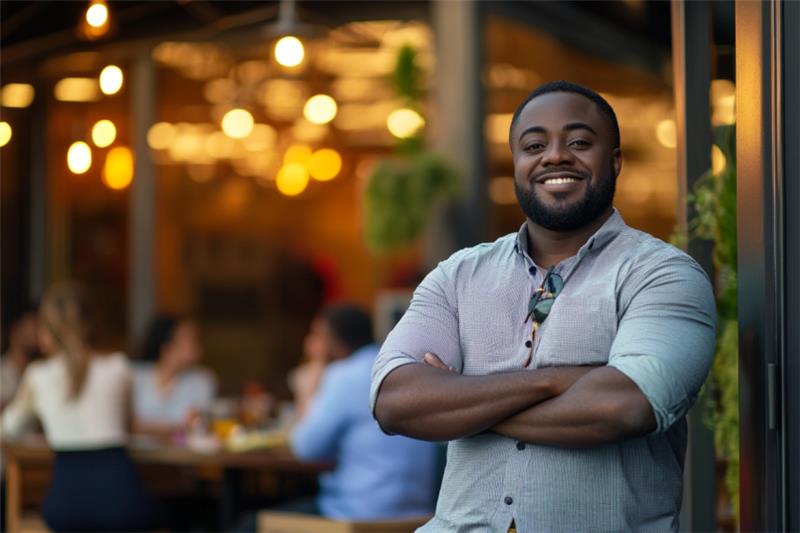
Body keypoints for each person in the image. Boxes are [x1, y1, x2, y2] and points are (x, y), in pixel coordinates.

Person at [371, 81, 717, 532]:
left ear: (613, 161)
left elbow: (625, 407)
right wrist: (561, 378)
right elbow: (396, 403)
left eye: (578, 142)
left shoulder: (663, 274)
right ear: (516, 164)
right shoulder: (457, 275)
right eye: (534, 145)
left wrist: (464, 401)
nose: (555, 156)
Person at [1, 281, 161, 532]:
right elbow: (128, 427)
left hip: (66, 504)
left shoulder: (39, 375)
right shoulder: (119, 366)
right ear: (89, 325)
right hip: (120, 500)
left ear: (46, 332)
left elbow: (8, 428)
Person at [288, 304, 439, 519]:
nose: (309, 347)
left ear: (336, 344)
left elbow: (306, 448)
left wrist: (306, 391)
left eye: (317, 337)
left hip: (357, 515)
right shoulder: (403, 366)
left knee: (247, 524)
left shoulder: (343, 375)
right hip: (415, 513)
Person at [133, 315, 216, 436]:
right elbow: (125, 423)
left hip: (179, 454)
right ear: (166, 347)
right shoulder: (135, 376)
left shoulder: (202, 380)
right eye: (189, 339)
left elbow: (195, 425)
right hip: (135, 453)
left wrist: (146, 426)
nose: (197, 346)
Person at [0, 306, 39, 411]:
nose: (34, 333)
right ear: (14, 331)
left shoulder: (39, 369)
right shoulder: (2, 370)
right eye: (27, 327)